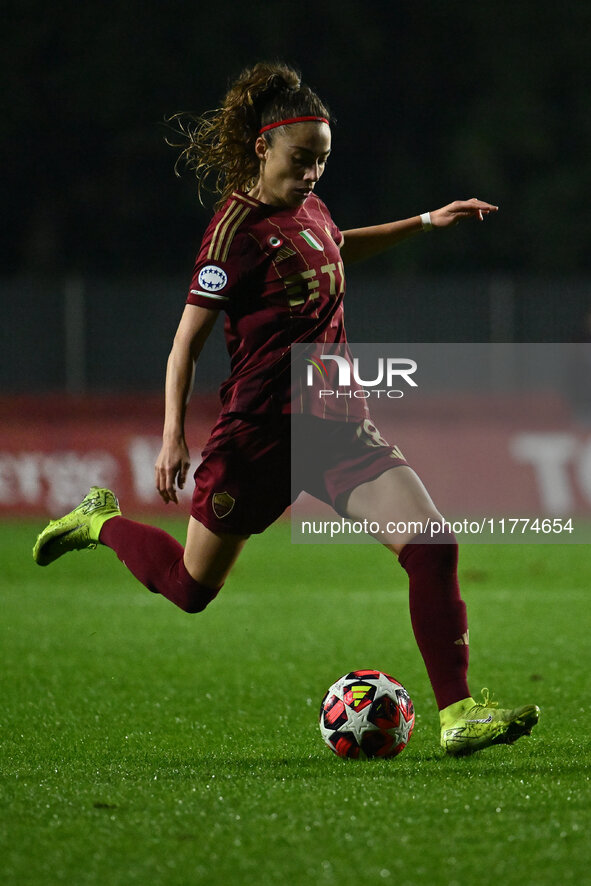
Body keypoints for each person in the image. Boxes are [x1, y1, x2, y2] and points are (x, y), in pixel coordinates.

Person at [33, 62, 539, 756]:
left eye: (322, 162)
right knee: (189, 589)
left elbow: (335, 246)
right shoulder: (232, 233)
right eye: (301, 160)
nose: (311, 175)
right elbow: (185, 346)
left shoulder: (314, 210)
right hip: (258, 439)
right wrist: (171, 438)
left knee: (432, 545)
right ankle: (100, 522)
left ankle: (456, 716)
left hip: (337, 427)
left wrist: (425, 221)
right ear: (261, 148)